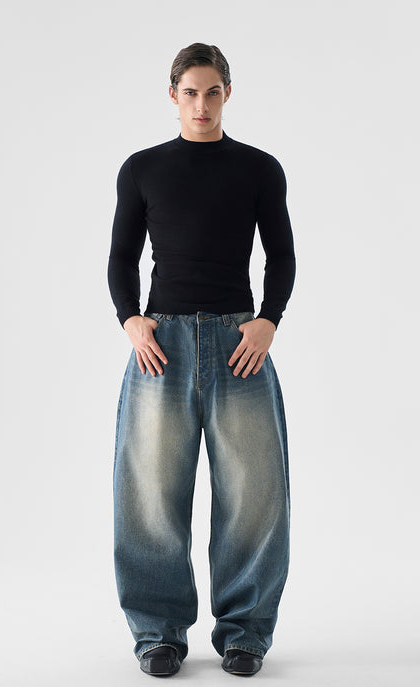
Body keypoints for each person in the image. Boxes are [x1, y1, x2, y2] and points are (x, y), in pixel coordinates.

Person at [107, 42, 295, 678]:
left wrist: (268, 319)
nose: (202, 104)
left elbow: (282, 254)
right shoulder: (142, 169)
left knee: (254, 495)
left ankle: (245, 633)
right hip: (160, 349)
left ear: (227, 94)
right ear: (173, 95)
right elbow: (121, 256)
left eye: (213, 91)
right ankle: (158, 634)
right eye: (190, 92)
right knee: (150, 494)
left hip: (239, 344)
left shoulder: (259, 168)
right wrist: (130, 319)